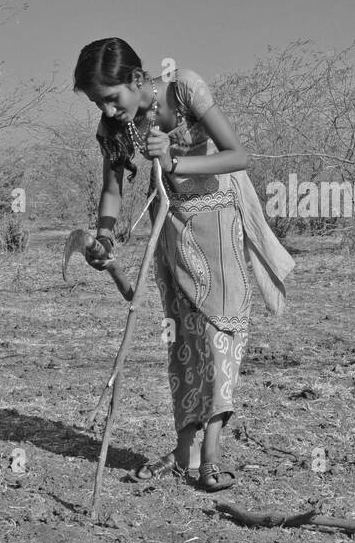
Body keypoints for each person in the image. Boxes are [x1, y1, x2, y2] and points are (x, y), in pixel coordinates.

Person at [72, 37, 294, 491]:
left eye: (113, 98)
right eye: (99, 103)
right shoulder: (115, 127)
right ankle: (182, 453)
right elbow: (112, 190)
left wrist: (175, 159)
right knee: (184, 341)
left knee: (220, 334)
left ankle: (209, 456)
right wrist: (105, 234)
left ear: (137, 80)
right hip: (168, 229)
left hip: (216, 221)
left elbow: (239, 155)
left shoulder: (185, 89)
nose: (110, 110)